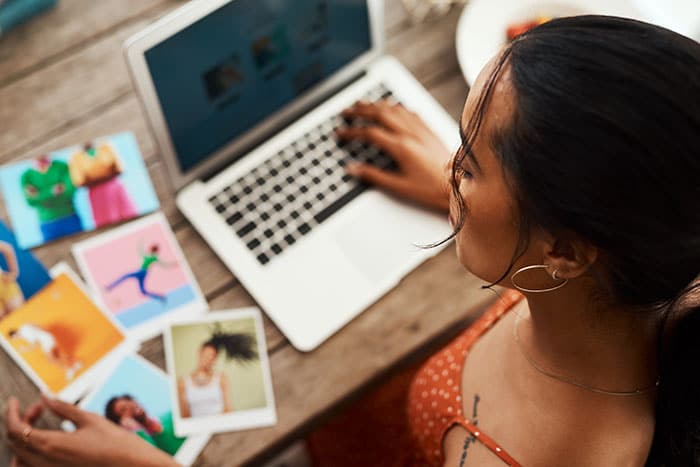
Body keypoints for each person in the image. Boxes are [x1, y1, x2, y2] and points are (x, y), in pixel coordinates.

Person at [5, 15, 700, 467]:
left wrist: (144, 465)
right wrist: (461, 193)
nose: (450, 164)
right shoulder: (661, 274)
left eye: (471, 160)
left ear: (564, 251)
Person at [177, 330, 258, 419]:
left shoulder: (221, 378)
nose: (207, 359)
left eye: (211, 357)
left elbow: (228, 409)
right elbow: (185, 415)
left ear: (215, 360)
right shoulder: (183, 381)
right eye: (206, 355)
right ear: (199, 353)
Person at [68, 141, 138, 228]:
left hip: (115, 188)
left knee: (129, 216)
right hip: (97, 195)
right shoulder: (76, 157)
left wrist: (95, 178)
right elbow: (79, 182)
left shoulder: (106, 146)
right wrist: (107, 174)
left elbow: (119, 169)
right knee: (107, 224)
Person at [104, 394, 185, 456]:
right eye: (123, 409)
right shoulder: (145, 448)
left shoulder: (172, 415)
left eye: (129, 401)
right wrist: (137, 431)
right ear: (122, 424)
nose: (130, 406)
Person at [8, 324, 82, 381]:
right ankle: (76, 363)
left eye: (15, 338)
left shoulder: (25, 334)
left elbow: (35, 344)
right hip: (47, 337)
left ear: (14, 334)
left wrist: (24, 349)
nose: (17, 339)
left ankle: (70, 368)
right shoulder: (25, 326)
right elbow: (38, 326)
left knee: (52, 359)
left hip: (46, 340)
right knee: (58, 355)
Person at [105, 244, 172, 302]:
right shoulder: (151, 257)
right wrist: (140, 246)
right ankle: (160, 297)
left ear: (152, 249)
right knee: (142, 291)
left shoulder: (153, 257)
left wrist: (140, 245)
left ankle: (110, 287)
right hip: (144, 273)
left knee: (125, 276)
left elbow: (163, 264)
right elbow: (142, 253)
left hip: (141, 272)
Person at [0, 241, 24, 319]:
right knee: (4, 323)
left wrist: (14, 272)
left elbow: (7, 249)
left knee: (20, 314)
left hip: (4, 283)